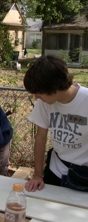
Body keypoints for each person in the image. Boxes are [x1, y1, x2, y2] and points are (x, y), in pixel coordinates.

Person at [24, 55, 88, 192]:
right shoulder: (44, 102)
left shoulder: (85, 101)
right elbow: (40, 137)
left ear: (55, 87)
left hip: (82, 176)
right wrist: (38, 175)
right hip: (55, 169)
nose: (36, 97)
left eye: (39, 92)